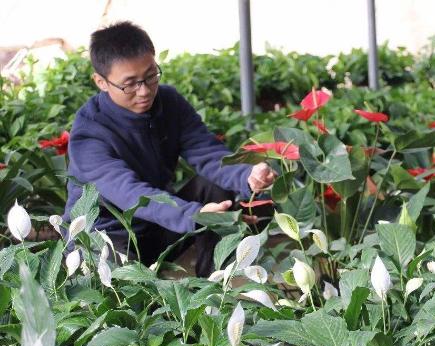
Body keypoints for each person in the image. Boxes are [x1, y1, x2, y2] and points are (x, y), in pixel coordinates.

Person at [62, 21, 275, 276]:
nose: (144, 91)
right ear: (101, 82)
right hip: (106, 239)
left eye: (151, 75)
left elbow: (207, 153)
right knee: (129, 301)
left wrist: (247, 176)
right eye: (130, 84)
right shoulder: (89, 133)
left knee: (215, 189)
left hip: (155, 228)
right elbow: (131, 194)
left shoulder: (169, 102)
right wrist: (194, 215)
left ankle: (216, 290)